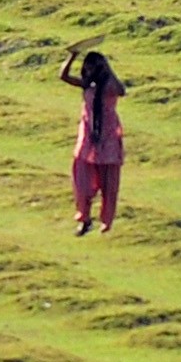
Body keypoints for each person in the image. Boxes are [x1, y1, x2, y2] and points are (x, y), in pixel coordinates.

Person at [61, 49, 125, 234]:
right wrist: (72, 55)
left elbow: (121, 90)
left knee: (109, 183)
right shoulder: (87, 86)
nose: (88, 71)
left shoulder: (109, 88)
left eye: (93, 68)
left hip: (108, 138)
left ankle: (106, 220)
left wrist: (108, 68)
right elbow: (63, 76)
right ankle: (84, 218)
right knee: (81, 182)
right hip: (88, 139)